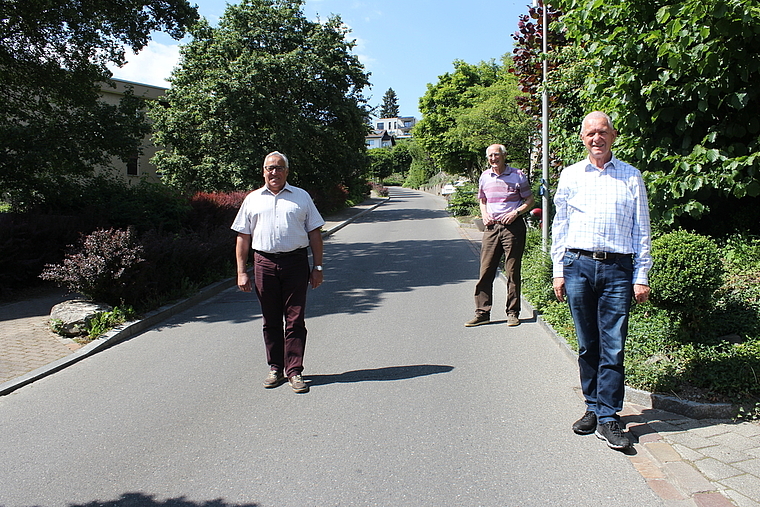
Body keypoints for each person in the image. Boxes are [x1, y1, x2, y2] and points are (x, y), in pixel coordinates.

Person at [551, 112, 652, 450]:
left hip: (618, 271)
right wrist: (558, 269)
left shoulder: (631, 176)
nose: (597, 138)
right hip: (578, 265)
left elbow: (642, 230)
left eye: (603, 132)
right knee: (587, 344)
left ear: (614, 135)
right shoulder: (569, 176)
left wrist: (642, 275)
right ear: (583, 138)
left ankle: (610, 416)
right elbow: (560, 226)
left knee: (614, 344)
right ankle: (592, 408)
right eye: (591, 133)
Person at [232, 151, 325, 394]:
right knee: (270, 319)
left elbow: (315, 233)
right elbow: (243, 237)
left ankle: (294, 371)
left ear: (286, 171)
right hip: (264, 264)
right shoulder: (252, 199)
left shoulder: (301, 197)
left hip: (295, 263)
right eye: (270, 168)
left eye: (279, 167)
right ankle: (275, 367)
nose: (274, 172)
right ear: (263, 171)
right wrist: (242, 272)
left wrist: (317, 267)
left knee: (295, 319)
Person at [465, 144, 535, 328]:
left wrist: (516, 213)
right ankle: (482, 313)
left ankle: (512, 313)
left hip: (513, 228)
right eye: (490, 156)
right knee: (485, 270)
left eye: (496, 155)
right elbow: (482, 199)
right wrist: (485, 214)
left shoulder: (518, 175)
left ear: (504, 156)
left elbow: (530, 200)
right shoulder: (485, 176)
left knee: (512, 271)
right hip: (491, 228)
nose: (493, 159)